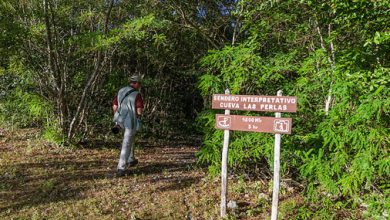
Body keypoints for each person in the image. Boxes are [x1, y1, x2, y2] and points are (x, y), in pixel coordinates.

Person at [112, 75, 144, 177]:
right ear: (137, 83)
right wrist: (138, 118)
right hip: (130, 121)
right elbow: (139, 109)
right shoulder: (136, 94)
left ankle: (131, 159)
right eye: (139, 84)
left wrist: (117, 116)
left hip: (120, 118)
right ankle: (121, 168)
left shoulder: (121, 90)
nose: (139, 86)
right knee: (126, 142)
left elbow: (115, 106)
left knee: (130, 139)